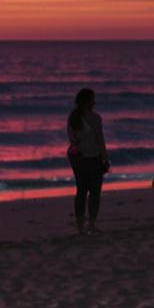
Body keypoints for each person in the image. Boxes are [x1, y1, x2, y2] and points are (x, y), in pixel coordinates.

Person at [66, 87, 108, 233]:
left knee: (81, 191)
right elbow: (100, 140)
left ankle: (80, 226)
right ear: (88, 101)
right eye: (93, 99)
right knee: (95, 192)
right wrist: (105, 158)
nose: (95, 102)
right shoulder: (95, 118)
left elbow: (72, 139)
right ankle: (91, 223)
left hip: (78, 158)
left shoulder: (73, 117)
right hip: (92, 157)